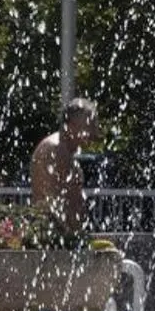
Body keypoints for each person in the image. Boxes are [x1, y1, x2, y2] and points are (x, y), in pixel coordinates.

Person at [30, 99, 98, 233]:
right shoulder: (56, 149)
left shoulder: (65, 151)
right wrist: (71, 237)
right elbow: (55, 202)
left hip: (58, 232)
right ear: (71, 126)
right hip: (52, 233)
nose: (94, 132)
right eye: (89, 125)